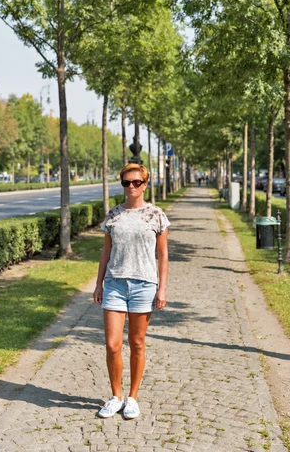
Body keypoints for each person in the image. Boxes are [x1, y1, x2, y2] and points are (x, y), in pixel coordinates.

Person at [93, 163, 170, 420]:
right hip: (115, 284)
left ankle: (133, 398)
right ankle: (116, 396)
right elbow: (106, 251)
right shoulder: (114, 214)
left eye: (136, 182)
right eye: (127, 182)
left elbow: (163, 255)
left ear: (145, 184)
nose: (131, 187)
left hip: (144, 285)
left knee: (136, 343)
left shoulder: (156, 215)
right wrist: (98, 283)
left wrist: (162, 289)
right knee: (112, 345)